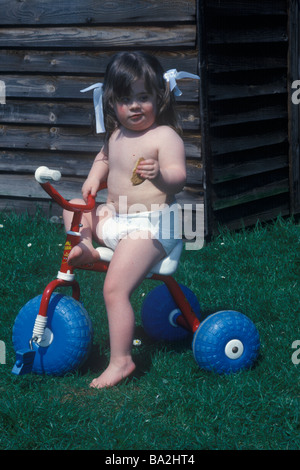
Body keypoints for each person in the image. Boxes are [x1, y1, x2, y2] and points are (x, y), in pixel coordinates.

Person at [63, 51, 188, 388]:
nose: (135, 106)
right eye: (125, 99)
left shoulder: (164, 137)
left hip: (153, 226)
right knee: (76, 205)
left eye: (143, 97)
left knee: (114, 289)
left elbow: (179, 177)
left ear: (158, 98)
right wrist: (94, 174)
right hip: (117, 219)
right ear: (112, 102)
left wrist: (160, 175)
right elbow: (105, 157)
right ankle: (86, 245)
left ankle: (121, 361)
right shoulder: (116, 135)